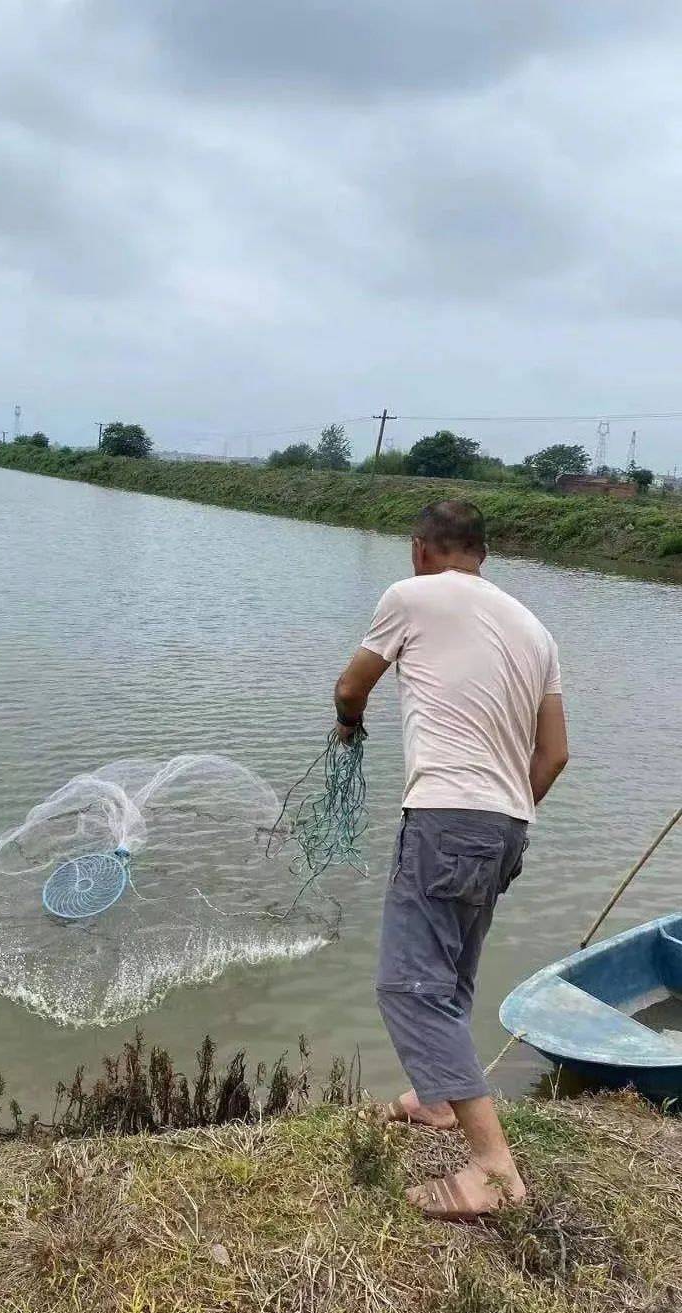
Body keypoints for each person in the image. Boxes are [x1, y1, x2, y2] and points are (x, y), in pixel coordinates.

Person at [333, 500, 569, 1221]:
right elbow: (555, 753)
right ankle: (435, 1096)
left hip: (446, 814)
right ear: (482, 555)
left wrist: (349, 727)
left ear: (420, 549)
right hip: (508, 823)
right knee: (453, 973)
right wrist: (504, 817)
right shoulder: (535, 629)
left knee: (408, 986)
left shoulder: (410, 596)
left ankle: (494, 1171)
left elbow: (351, 686)